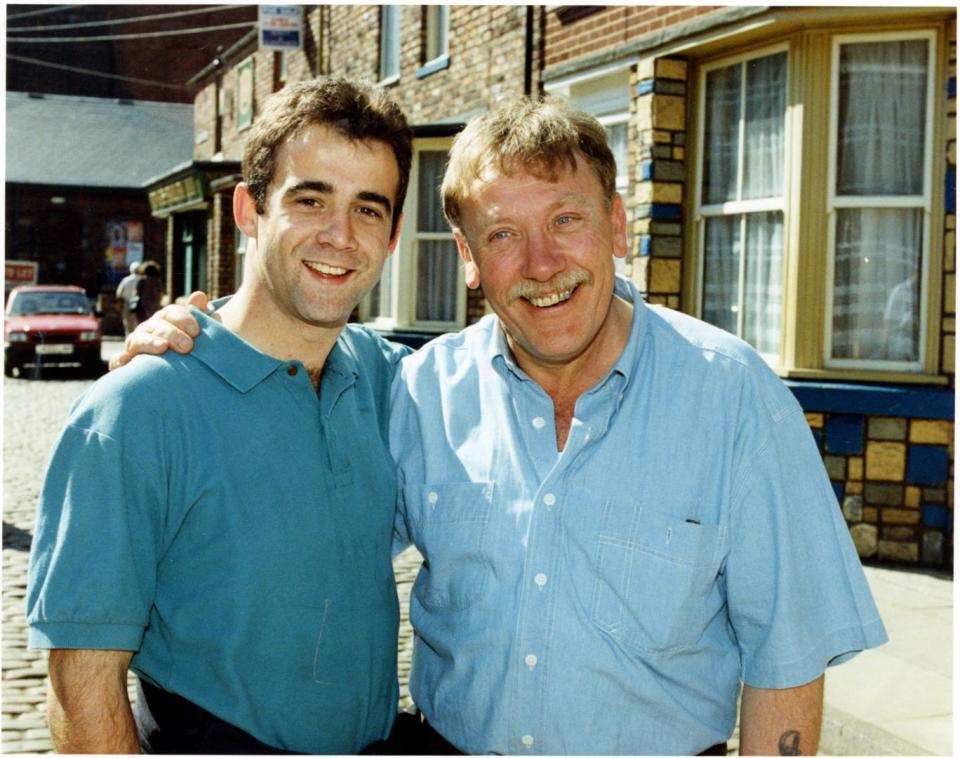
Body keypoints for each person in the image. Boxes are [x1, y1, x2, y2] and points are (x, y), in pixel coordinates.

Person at [115, 97, 887, 756]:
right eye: (504, 234)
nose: (543, 264)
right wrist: (191, 348)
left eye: (567, 220)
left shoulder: (733, 397)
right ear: (468, 258)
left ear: (618, 226)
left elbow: (787, 658)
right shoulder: (415, 390)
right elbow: (301, 486)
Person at [26, 77, 414, 754]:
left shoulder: (389, 379)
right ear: (248, 209)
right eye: (310, 199)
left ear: (394, 234)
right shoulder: (135, 409)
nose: (339, 236)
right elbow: (82, 689)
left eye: (369, 209)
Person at [115, 260, 142, 335]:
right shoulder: (142, 279)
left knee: (128, 325)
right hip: (139, 304)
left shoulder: (125, 280)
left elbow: (119, 293)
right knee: (138, 324)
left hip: (127, 304)